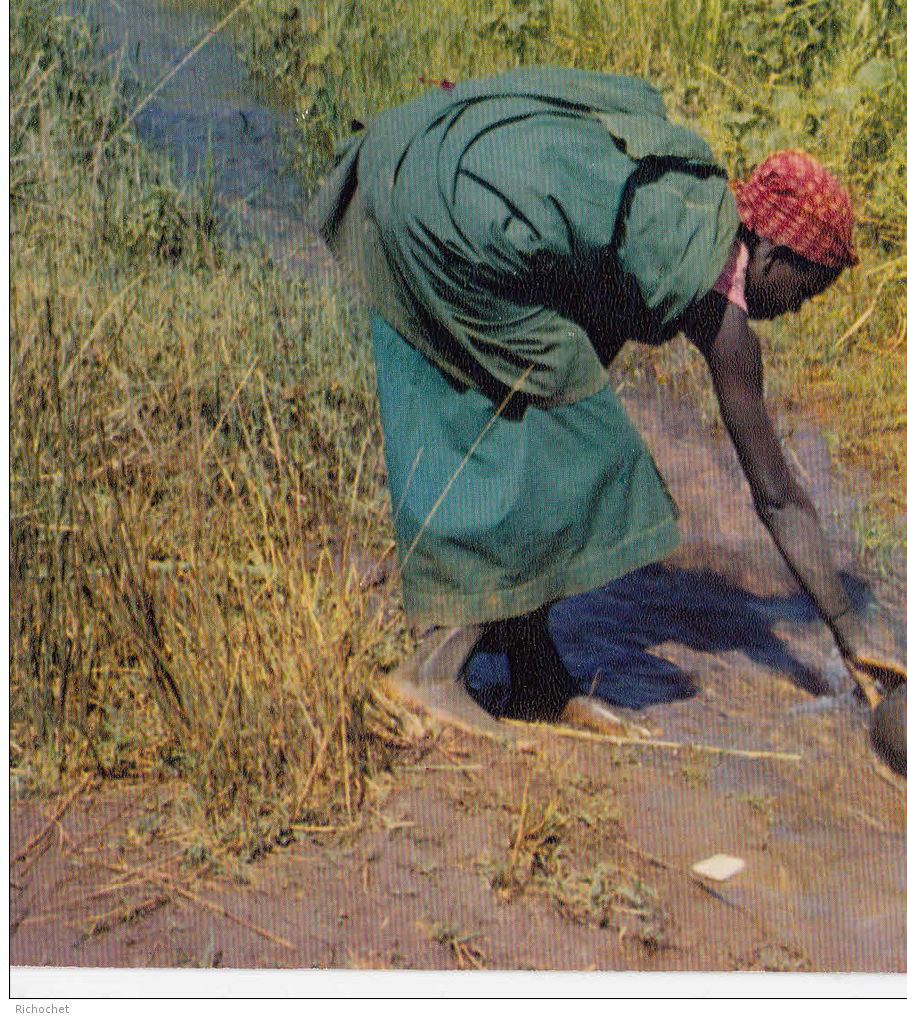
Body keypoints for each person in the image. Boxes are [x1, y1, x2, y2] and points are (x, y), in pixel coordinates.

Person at [309, 65, 875, 738]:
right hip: (447, 212)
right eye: (805, 291)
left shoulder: (685, 209)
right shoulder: (721, 310)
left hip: (418, 165)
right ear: (775, 253)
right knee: (587, 454)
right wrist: (852, 637)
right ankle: (433, 670)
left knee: (549, 426)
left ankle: (536, 678)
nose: (796, 310)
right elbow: (778, 494)